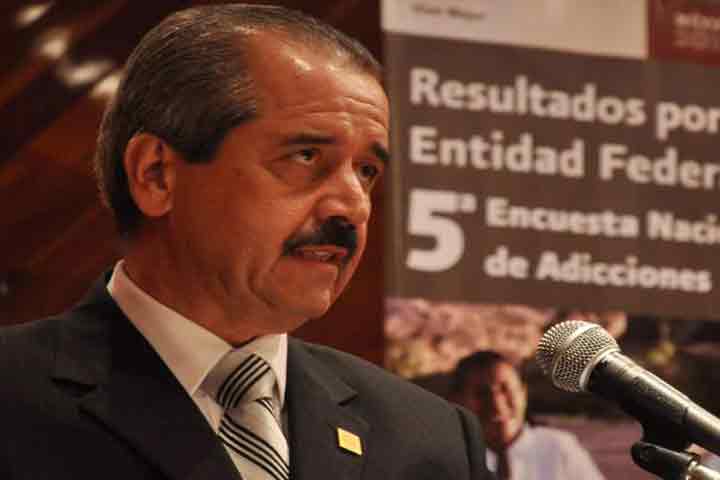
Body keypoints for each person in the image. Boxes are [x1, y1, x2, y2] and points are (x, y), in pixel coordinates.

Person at [0, 4, 494, 479]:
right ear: (157, 175)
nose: (354, 207)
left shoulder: (430, 439)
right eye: (306, 156)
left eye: (366, 171)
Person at [451, 351, 605, 480]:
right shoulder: (448, 461)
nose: (497, 403)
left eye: (505, 389)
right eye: (481, 393)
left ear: (523, 393)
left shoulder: (559, 449)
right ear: (457, 401)